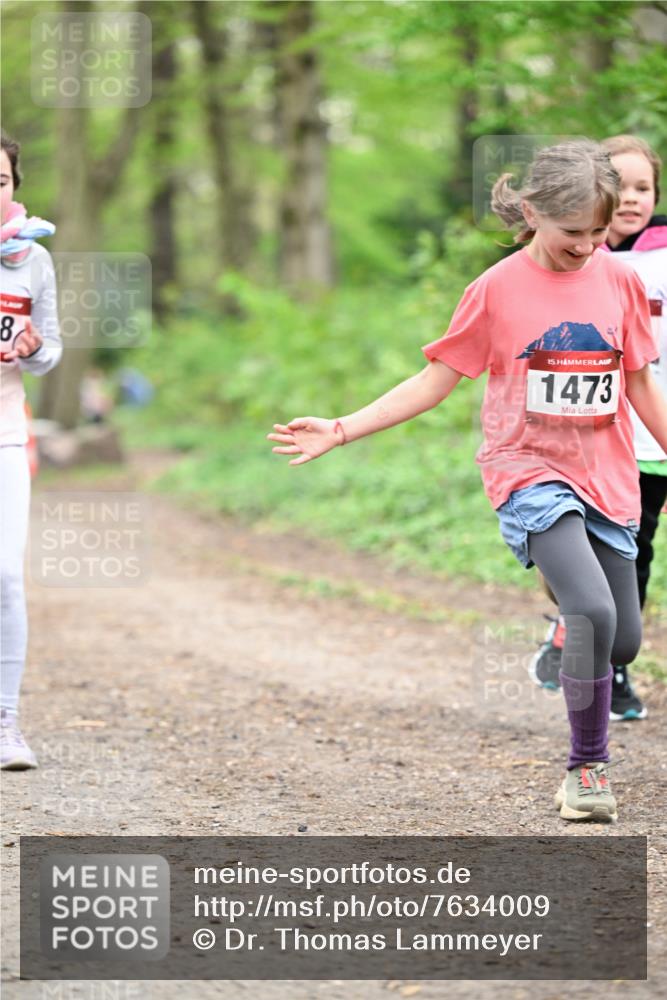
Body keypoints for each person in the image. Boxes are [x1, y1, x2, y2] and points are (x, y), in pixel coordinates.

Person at [268, 139, 667, 823]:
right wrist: (341, 427)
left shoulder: (619, 279)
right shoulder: (495, 290)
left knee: (621, 639)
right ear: (533, 213)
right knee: (594, 613)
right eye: (573, 232)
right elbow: (434, 380)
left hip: (607, 475)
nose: (587, 246)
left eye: (599, 233)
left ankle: (568, 638)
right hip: (528, 470)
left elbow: (636, 384)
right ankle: (586, 770)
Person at [529, 135, 667, 722]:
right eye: (623, 186)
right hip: (584, 439)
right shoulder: (569, 257)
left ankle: (615, 667)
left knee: (634, 555)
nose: (632, 200)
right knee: (579, 553)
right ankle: (573, 621)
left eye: (645, 189)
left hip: (652, 435)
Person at [1, 130, 61, 769]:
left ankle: (6, 722)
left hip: (5, 433)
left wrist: (34, 348)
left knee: (6, 577)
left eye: (0, 182)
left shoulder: (32, 259)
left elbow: (52, 354)